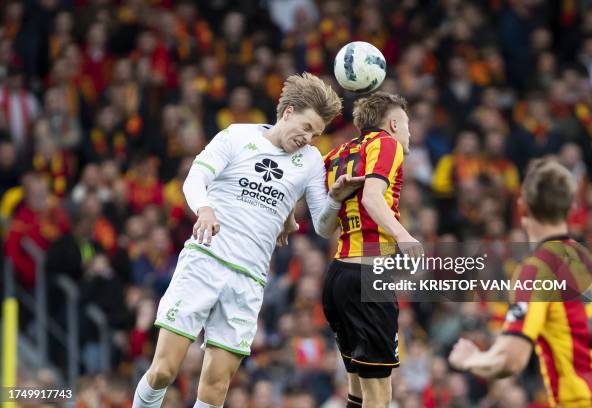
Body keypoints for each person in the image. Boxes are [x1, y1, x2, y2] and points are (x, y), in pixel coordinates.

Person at [133, 72, 364, 408]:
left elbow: (323, 226)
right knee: (164, 371)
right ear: (287, 112)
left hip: (249, 280)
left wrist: (335, 199)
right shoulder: (237, 137)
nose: (309, 138)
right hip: (204, 262)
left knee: (215, 387)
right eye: (306, 127)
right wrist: (206, 209)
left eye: (316, 134)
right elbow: (194, 179)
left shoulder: (311, 161)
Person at [449, 159, 592, 407]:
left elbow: (510, 359)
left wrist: (469, 359)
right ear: (571, 207)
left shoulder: (537, 269)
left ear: (523, 209)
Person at [322, 92, 421, 408]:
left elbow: (324, 225)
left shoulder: (338, 153)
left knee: (358, 390)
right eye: (406, 124)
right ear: (393, 123)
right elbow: (372, 198)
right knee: (380, 396)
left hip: (338, 276)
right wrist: (404, 236)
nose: (409, 133)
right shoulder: (387, 145)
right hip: (369, 275)